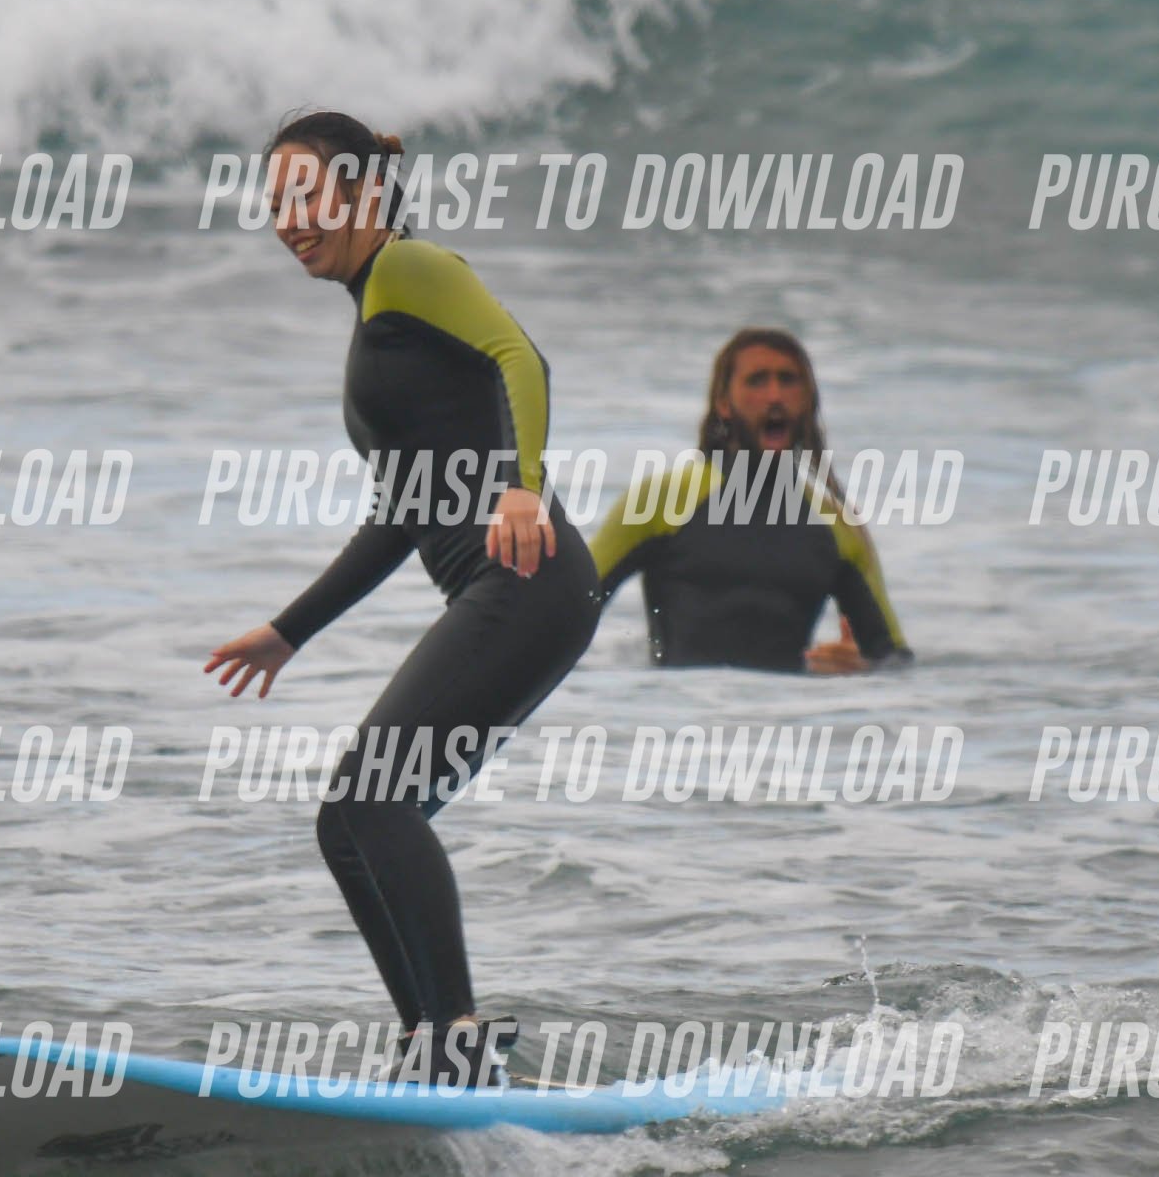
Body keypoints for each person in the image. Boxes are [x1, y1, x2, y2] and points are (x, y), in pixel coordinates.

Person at [204, 113, 598, 1086]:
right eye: (274, 205)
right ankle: (433, 1048)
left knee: (375, 800)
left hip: (527, 578)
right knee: (348, 823)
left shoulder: (410, 269)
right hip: (509, 589)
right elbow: (403, 514)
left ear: (361, 192)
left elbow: (523, 359)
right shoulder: (378, 311)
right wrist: (289, 631)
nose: (289, 221)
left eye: (305, 195)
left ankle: (454, 1035)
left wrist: (521, 487)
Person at [589, 326, 910, 672]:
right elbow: (570, 608)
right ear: (724, 404)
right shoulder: (660, 502)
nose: (775, 396)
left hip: (791, 706)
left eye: (788, 380)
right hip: (677, 703)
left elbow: (895, 661)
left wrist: (859, 666)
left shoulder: (837, 526)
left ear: (807, 401)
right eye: (757, 381)